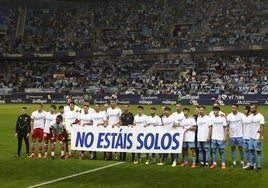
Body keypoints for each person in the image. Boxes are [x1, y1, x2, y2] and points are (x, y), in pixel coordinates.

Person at [248, 104, 265, 172]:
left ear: (256, 108)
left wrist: (260, 138)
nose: (251, 110)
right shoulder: (251, 116)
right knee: (251, 151)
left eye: (252, 108)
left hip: (257, 137)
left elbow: (262, 127)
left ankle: (259, 167)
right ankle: (252, 165)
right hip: (251, 137)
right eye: (251, 108)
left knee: (259, 152)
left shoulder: (260, 116)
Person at [226, 104, 244, 168]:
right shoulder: (229, 116)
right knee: (233, 149)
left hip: (240, 135)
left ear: (237, 108)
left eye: (234, 108)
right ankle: (234, 162)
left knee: (241, 149)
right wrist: (228, 132)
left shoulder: (241, 115)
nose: (233, 109)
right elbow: (227, 125)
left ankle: (242, 162)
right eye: (232, 107)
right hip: (232, 136)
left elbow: (244, 124)